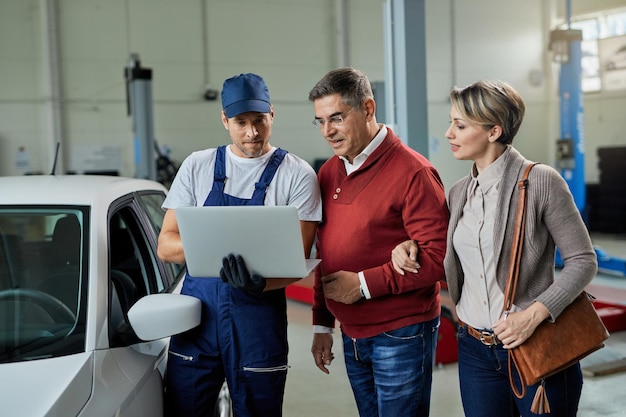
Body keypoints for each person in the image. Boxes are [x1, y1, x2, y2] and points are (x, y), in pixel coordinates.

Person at [391, 79, 598, 417]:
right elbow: (449, 250)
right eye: (450, 123)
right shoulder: (459, 192)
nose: (449, 134)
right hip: (475, 349)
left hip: (535, 344)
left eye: (460, 125)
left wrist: (534, 315)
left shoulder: (541, 181)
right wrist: (406, 246)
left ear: (493, 131)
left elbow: (583, 261)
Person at [157, 72, 322, 417]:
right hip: (198, 320)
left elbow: (298, 257)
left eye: (260, 121)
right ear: (224, 120)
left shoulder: (297, 174)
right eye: (241, 122)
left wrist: (260, 283)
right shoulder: (197, 167)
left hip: (258, 319)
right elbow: (166, 246)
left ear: (272, 115)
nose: (252, 133)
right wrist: (211, 246)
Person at [307, 67, 449, 417]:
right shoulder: (329, 172)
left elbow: (439, 256)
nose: (328, 131)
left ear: (368, 109)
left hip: (401, 334)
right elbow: (325, 252)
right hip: (351, 333)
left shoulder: (413, 172)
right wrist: (323, 322)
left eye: (337, 118)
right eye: (320, 121)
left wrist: (364, 285)